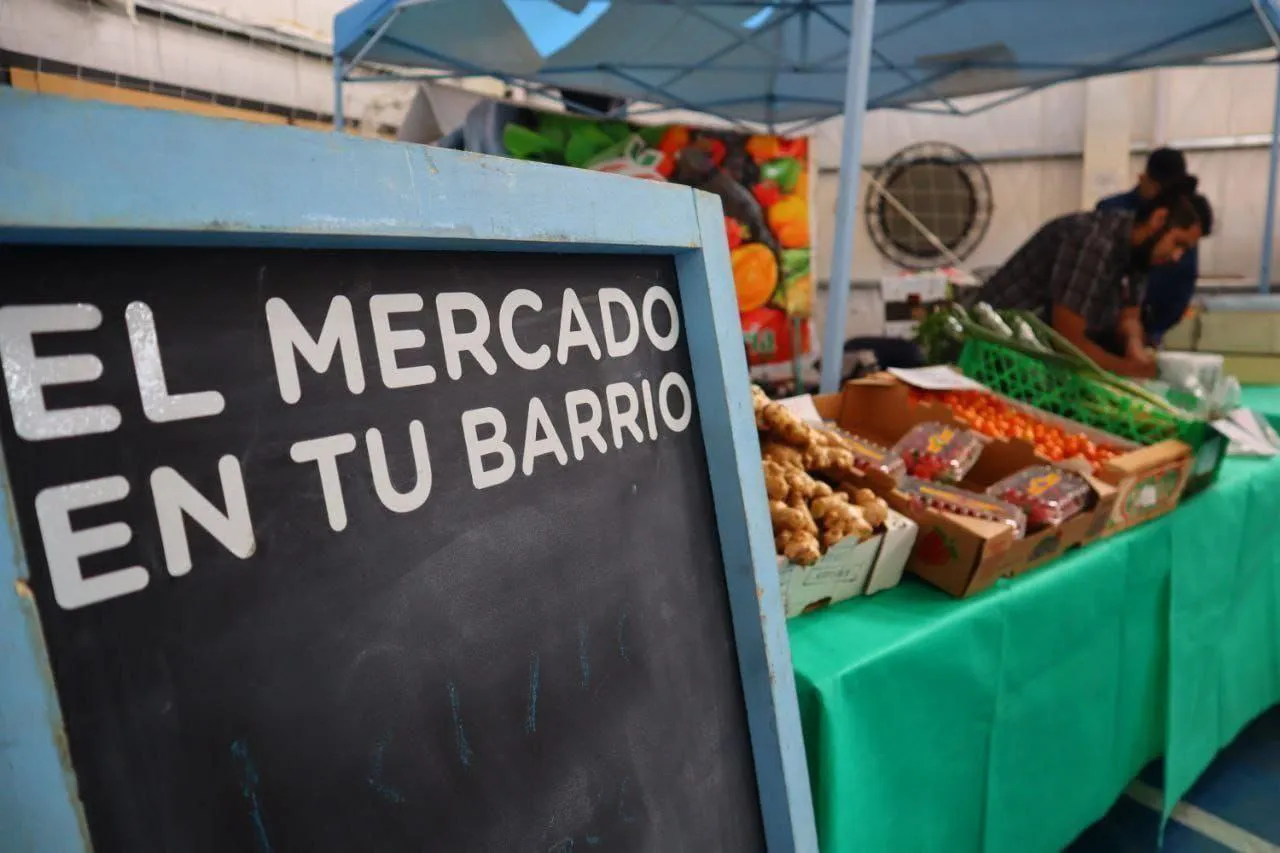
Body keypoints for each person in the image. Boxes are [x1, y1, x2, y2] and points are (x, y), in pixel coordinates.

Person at [971, 184, 1205, 378]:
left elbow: (1130, 316)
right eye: (1178, 244)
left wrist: (1134, 346)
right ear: (1158, 219)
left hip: (1036, 354)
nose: (1177, 257)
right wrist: (1128, 369)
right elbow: (1069, 339)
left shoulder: (1139, 253)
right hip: (993, 348)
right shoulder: (1091, 243)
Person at [1096, 148, 1213, 345]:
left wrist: (1152, 331)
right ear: (1143, 179)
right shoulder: (1109, 215)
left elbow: (1183, 283)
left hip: (1145, 329)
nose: (1176, 256)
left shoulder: (1181, 222)